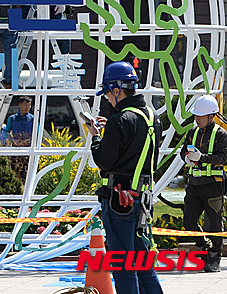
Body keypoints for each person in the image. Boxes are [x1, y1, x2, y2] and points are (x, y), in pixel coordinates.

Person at [88, 61, 163, 294]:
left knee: (123, 262)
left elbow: (104, 160)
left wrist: (96, 137)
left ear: (118, 90)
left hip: (118, 198)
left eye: (109, 93)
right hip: (142, 196)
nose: (109, 99)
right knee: (142, 260)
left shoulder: (119, 120)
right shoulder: (151, 116)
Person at [180, 94, 227, 272]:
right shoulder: (192, 133)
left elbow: (224, 157)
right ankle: (203, 246)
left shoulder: (221, 135)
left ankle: (214, 258)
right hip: (194, 184)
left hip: (213, 185)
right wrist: (187, 158)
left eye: (200, 116)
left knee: (214, 224)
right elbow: (183, 151)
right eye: (196, 116)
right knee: (189, 221)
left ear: (211, 116)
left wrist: (202, 158)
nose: (197, 119)